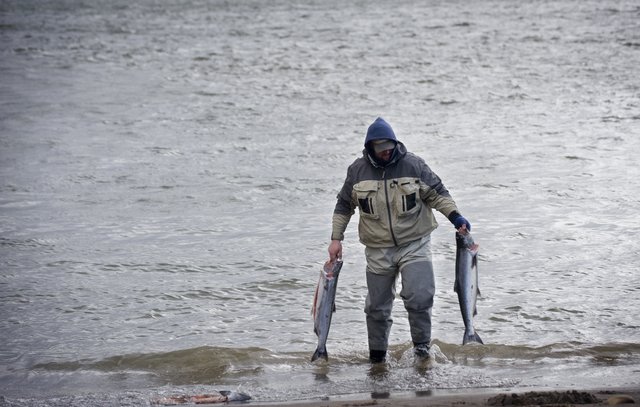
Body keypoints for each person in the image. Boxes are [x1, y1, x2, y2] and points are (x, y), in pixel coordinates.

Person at [327, 117, 471, 364]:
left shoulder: (413, 165)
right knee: (376, 309)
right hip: (377, 249)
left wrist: (455, 217)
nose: (385, 153)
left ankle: (422, 353)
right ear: (370, 147)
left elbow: (438, 194)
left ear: (395, 144)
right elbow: (343, 205)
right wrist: (335, 239)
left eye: (389, 148)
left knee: (420, 297)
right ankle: (377, 359)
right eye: (380, 149)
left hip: (414, 243)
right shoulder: (357, 171)